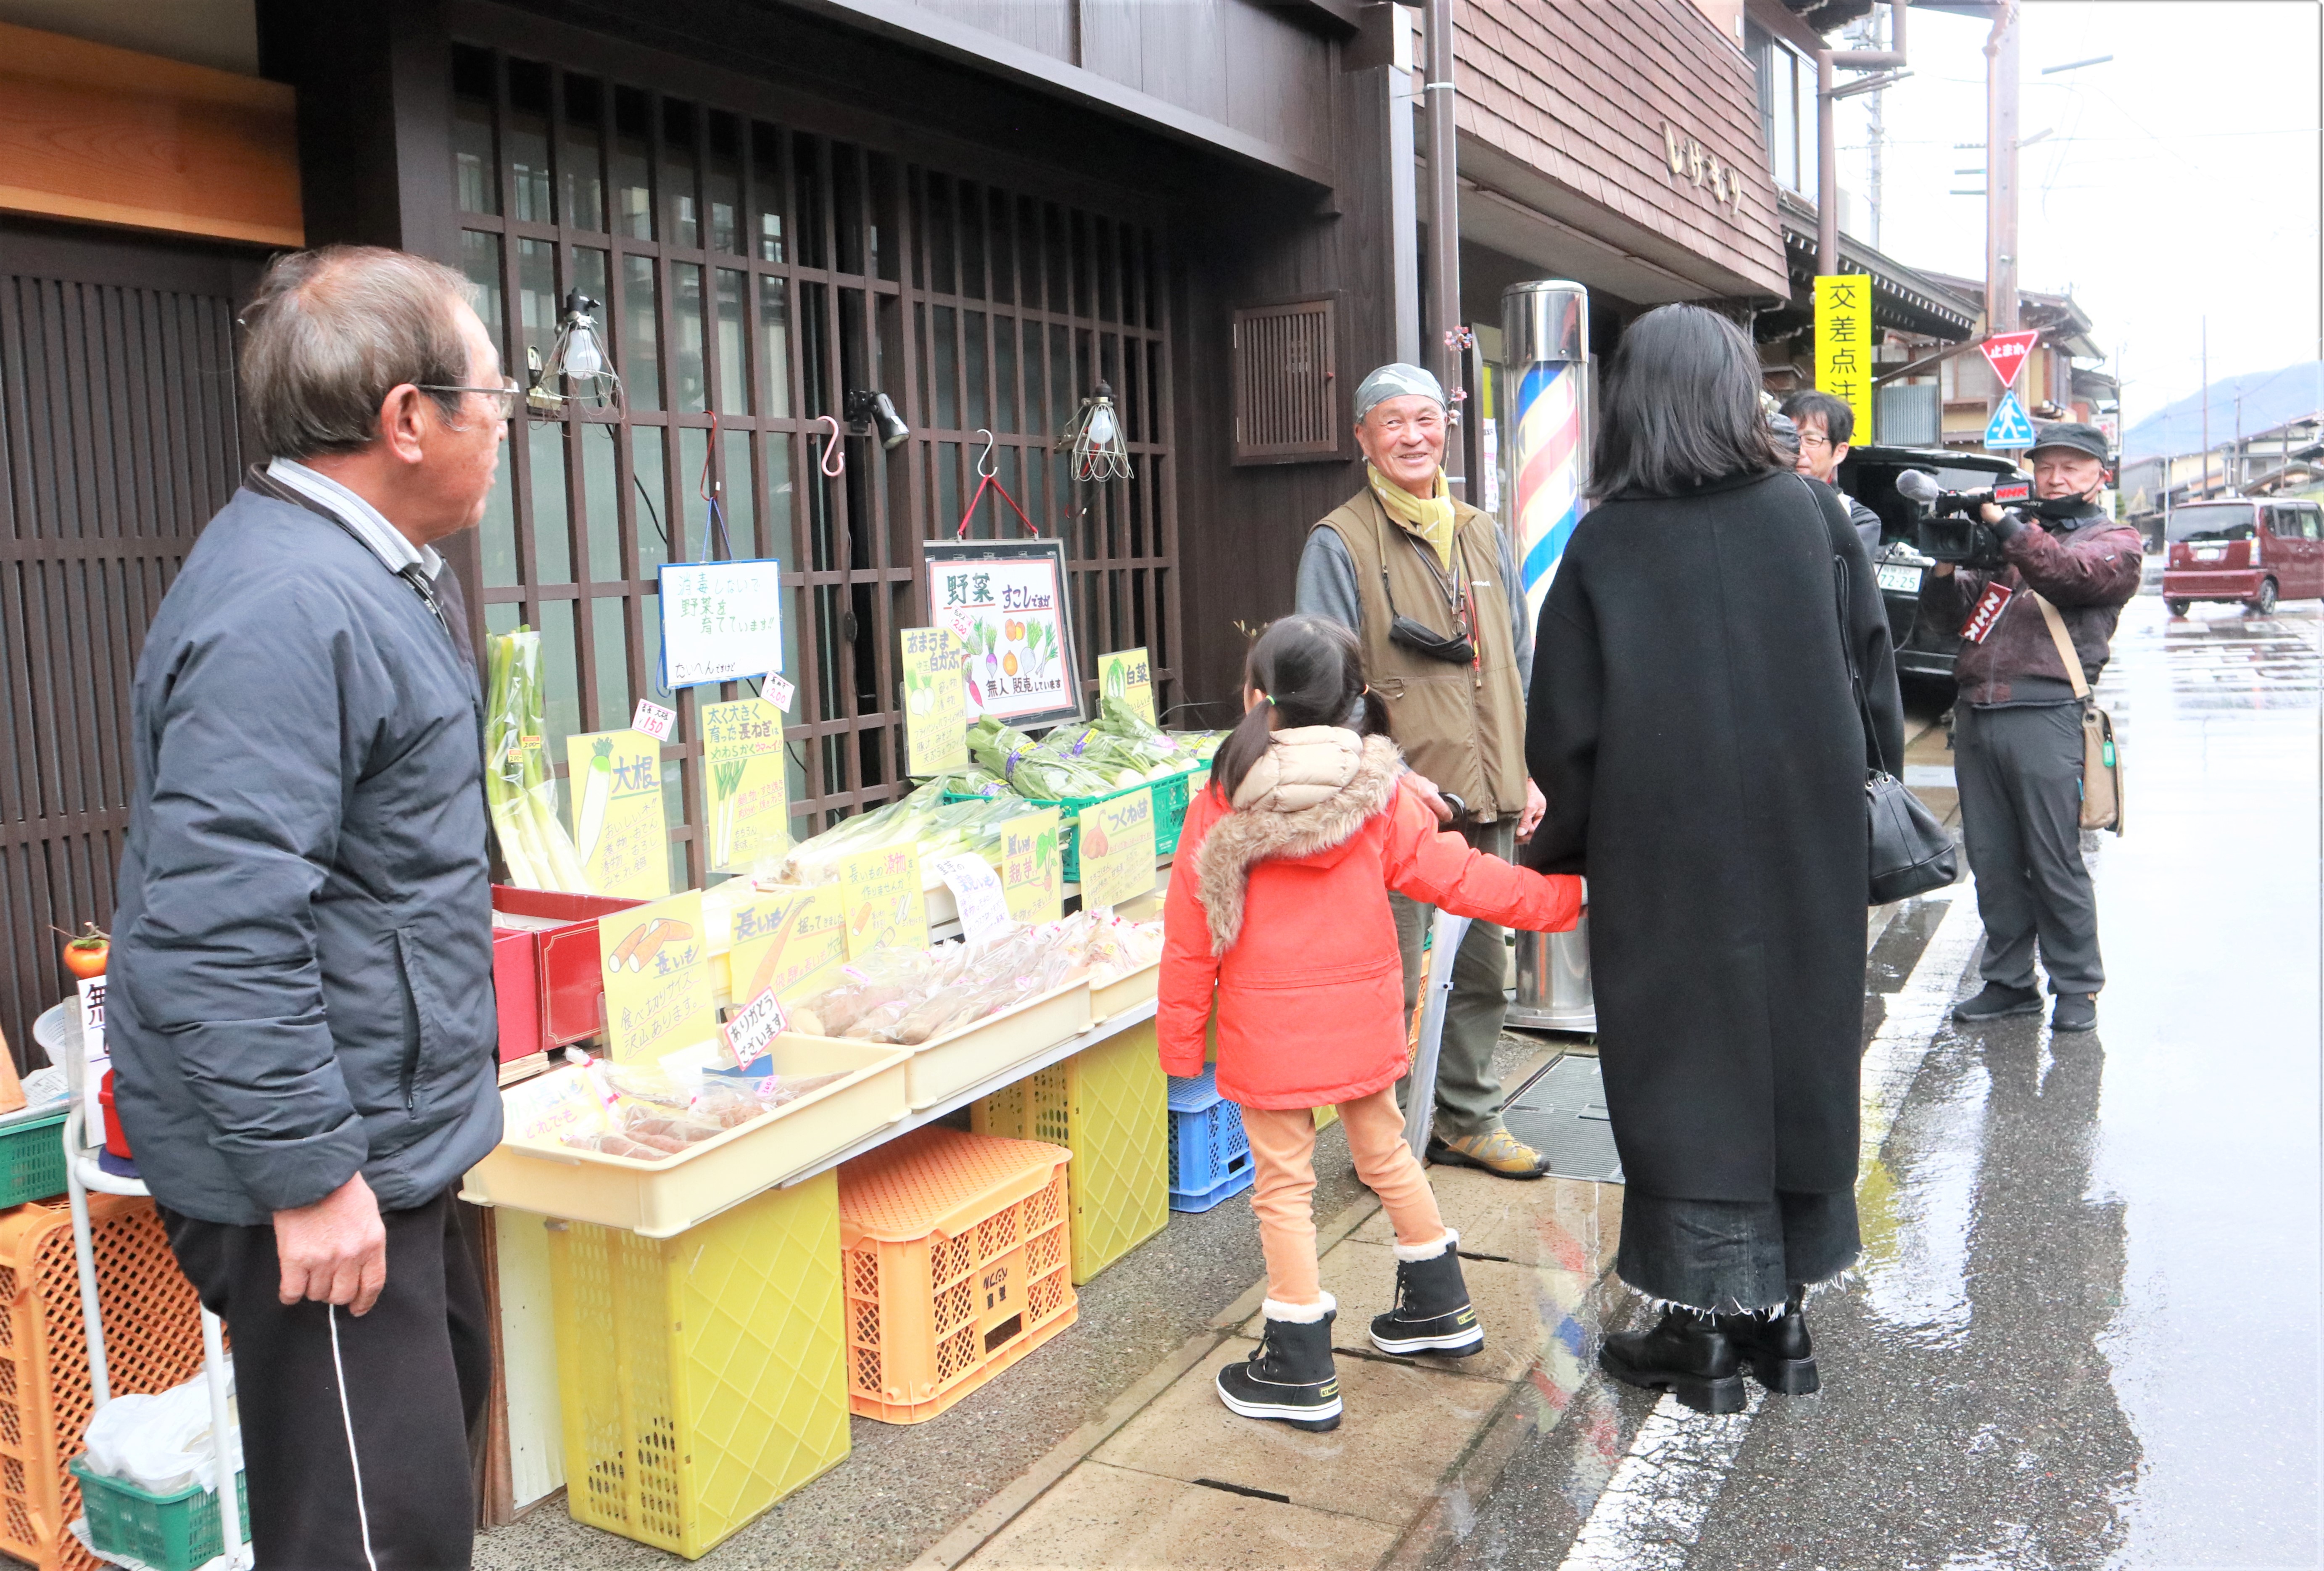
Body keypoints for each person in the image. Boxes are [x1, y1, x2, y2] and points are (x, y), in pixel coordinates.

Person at [109, 246, 510, 1568]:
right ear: (409, 418)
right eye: (493, 397)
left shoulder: (367, 569)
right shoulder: (290, 602)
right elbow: (219, 926)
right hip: (319, 1166)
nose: (502, 427)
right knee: (367, 1536)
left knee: (421, 1472)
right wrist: (309, 1174)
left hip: (376, 1137)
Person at [1522, 304, 1904, 1414]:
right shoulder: (1810, 515)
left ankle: (1697, 1337)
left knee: (1685, 1070)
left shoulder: (1609, 540)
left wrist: (1559, 857)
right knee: (1799, 1057)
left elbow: (1569, 735)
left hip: (1665, 854)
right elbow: (1872, 681)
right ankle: (1783, 1326)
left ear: (1632, 401)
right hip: (1806, 846)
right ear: (1741, 395)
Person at [1160, 615, 1583, 1431]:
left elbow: (1190, 938)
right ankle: (1437, 1305)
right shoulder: (1380, 790)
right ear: (1354, 698)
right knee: (1386, 1149)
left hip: (1267, 1033)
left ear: (1256, 698)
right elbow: (1458, 876)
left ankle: (1297, 1362)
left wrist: (1182, 1046)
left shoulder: (1219, 799)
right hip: (1361, 1024)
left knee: (1282, 1186)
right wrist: (1563, 899)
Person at [1295, 363, 1552, 1180]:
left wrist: (1527, 766)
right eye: (1392, 422)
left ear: (1446, 428)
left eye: (1427, 419)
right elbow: (1318, 679)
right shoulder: (1338, 539)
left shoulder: (1480, 529)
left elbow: (1515, 657)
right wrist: (1387, 773)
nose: (1413, 436)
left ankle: (1467, 1120)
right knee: (1392, 982)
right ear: (1362, 437)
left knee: (1485, 967)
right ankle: (1383, 1143)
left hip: (1488, 791)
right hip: (1394, 803)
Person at [1921, 421, 2142, 1034]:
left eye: (2073, 466)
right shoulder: (2012, 541)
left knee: (2053, 860)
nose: (2056, 477)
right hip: (1977, 710)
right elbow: (1948, 621)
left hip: (2047, 713)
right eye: (2046, 466)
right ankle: (2009, 982)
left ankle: (2077, 986)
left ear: (2103, 475)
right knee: (1991, 861)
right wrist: (1944, 562)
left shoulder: (2114, 540)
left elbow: (2067, 576)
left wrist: (2003, 525)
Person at [1782, 388, 1885, 554]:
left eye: (1812, 440)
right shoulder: (1759, 501)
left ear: (1839, 452)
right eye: (1789, 438)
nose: (1799, 451)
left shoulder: (1858, 520)